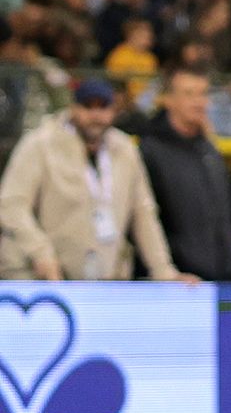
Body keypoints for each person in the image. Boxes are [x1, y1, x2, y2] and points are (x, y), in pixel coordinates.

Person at [0, 79, 190, 281]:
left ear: (114, 110)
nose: (96, 115)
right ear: (73, 108)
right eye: (88, 107)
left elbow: (143, 213)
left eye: (103, 107)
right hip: (41, 280)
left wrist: (163, 270)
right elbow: (11, 204)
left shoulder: (124, 149)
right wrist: (40, 252)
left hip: (103, 281)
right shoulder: (41, 144)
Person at [138, 64, 231, 281]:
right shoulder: (151, 151)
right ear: (167, 99)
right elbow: (145, 219)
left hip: (222, 278)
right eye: (188, 94)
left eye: (203, 94)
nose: (198, 101)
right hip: (178, 285)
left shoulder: (209, 149)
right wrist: (168, 272)